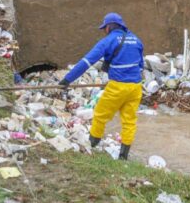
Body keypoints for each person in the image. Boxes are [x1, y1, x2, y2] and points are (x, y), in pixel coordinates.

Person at [59, 13, 144, 160]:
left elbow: (87, 62)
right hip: (136, 87)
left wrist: (67, 79)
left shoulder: (108, 41)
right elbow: (140, 65)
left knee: (99, 115)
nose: (104, 30)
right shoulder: (137, 40)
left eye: (104, 28)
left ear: (109, 27)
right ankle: (123, 156)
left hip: (117, 87)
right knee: (129, 121)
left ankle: (91, 145)